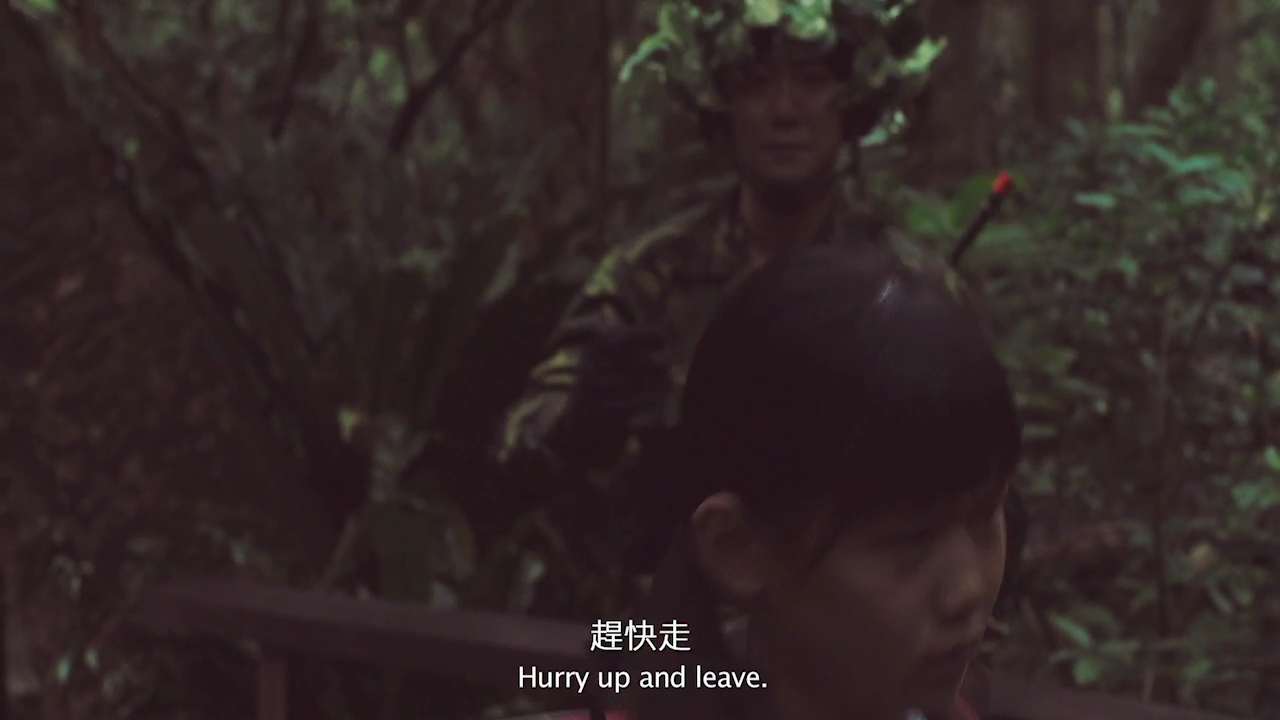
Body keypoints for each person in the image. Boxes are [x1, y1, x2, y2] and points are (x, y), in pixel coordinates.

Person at [506, 241, 1018, 720]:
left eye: (985, 514)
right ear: (736, 548)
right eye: (908, 540)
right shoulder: (659, 259)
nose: (967, 591)